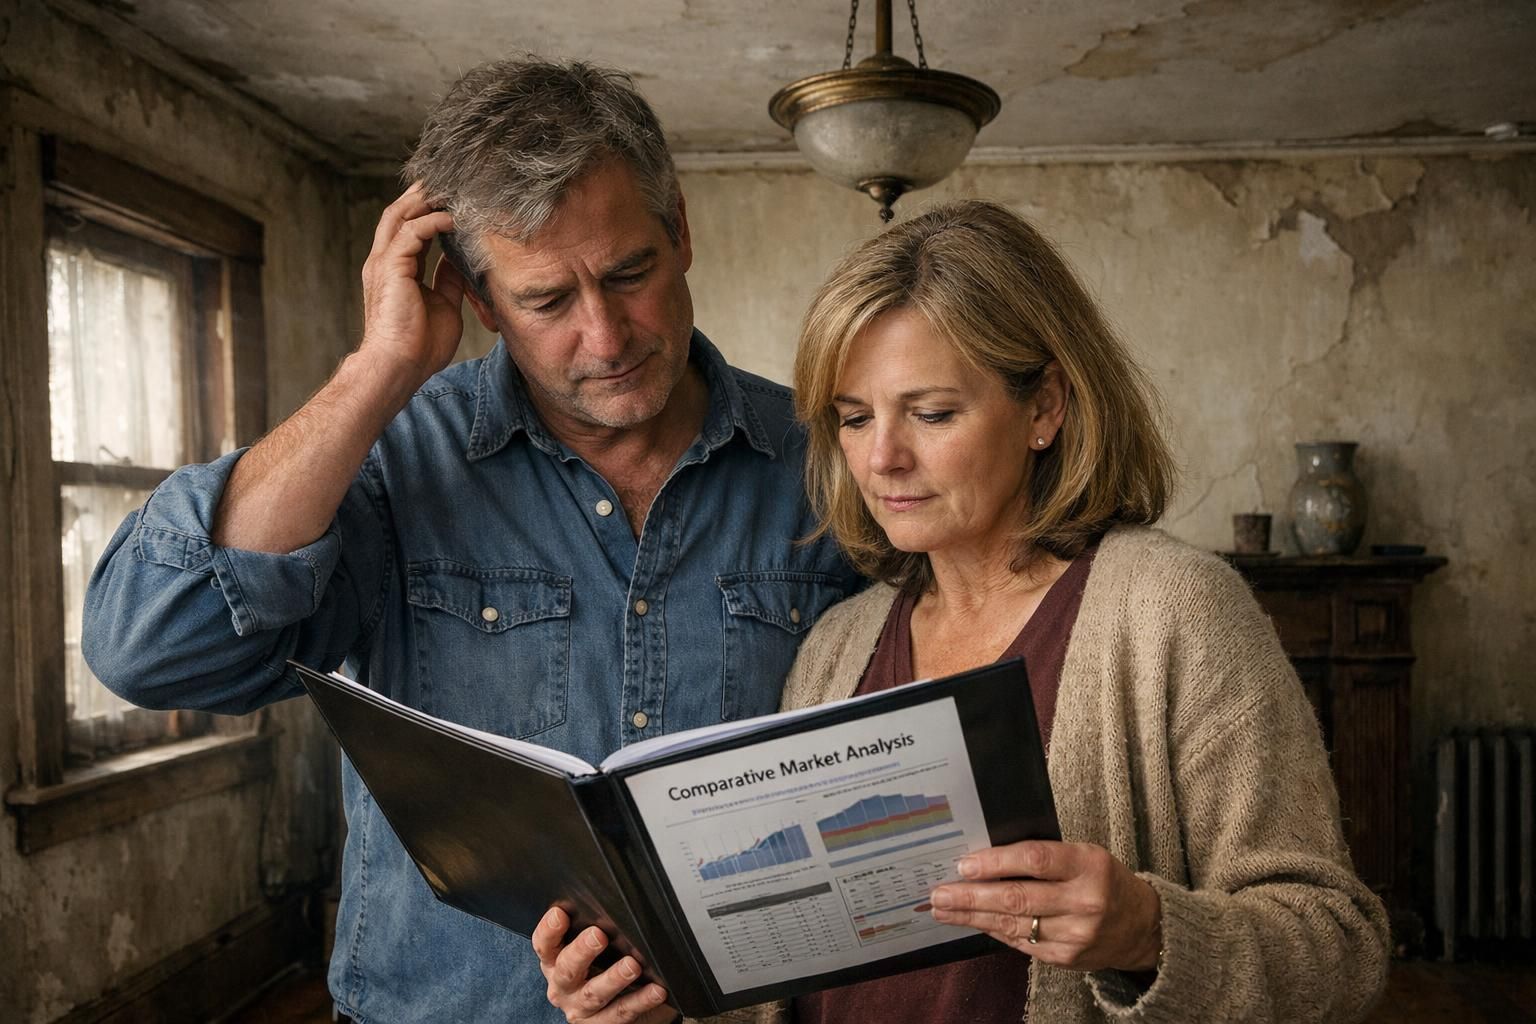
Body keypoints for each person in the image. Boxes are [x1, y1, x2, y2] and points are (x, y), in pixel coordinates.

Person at [82, 58, 858, 1024]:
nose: (606, 336)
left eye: (630, 274)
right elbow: (147, 647)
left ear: (681, 231)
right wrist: (379, 368)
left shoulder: (824, 458)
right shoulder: (389, 463)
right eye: (547, 301)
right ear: (481, 301)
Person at [537, 200, 1390, 1023]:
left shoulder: (1175, 612)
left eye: (932, 413)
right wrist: (654, 1011)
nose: (883, 458)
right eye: (854, 418)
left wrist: (1147, 933)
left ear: (1045, 407)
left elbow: (1340, 951)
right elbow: (789, 985)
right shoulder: (836, 644)